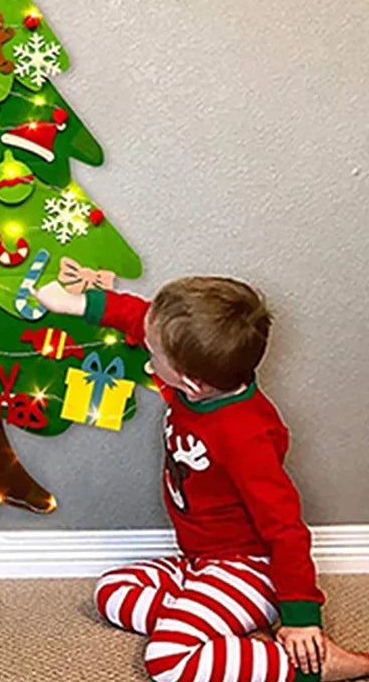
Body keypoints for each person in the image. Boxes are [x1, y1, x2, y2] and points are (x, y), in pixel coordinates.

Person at [36, 276, 369, 682]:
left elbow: (286, 529)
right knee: (112, 592)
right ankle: (224, 626)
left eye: (153, 353)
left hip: (250, 570)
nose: (145, 353)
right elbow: (143, 319)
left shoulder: (245, 436)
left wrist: (301, 617)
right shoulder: (199, 380)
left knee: (166, 661)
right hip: (199, 561)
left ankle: (308, 667)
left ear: (191, 382)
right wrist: (73, 303)